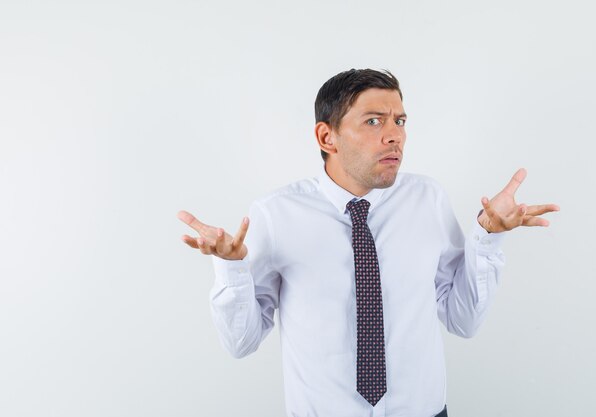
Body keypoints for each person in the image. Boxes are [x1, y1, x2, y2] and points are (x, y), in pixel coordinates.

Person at [177, 69, 559, 417]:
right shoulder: (275, 215)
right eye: (374, 121)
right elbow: (240, 342)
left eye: (400, 121)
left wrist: (488, 237)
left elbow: (463, 319)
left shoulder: (427, 199)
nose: (394, 135)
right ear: (327, 137)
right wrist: (231, 267)